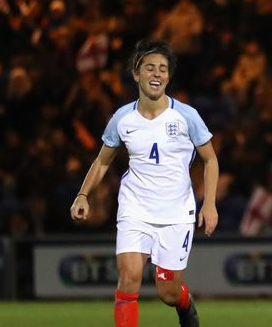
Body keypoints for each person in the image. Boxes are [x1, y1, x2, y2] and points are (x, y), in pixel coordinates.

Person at [70, 40, 219, 327]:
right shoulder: (122, 118)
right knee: (128, 282)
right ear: (136, 74)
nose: (157, 73)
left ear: (168, 76)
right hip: (135, 209)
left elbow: (210, 161)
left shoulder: (187, 116)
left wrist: (209, 204)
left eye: (163, 68)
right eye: (150, 67)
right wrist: (82, 194)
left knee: (168, 293)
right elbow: (102, 161)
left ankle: (184, 306)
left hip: (176, 214)